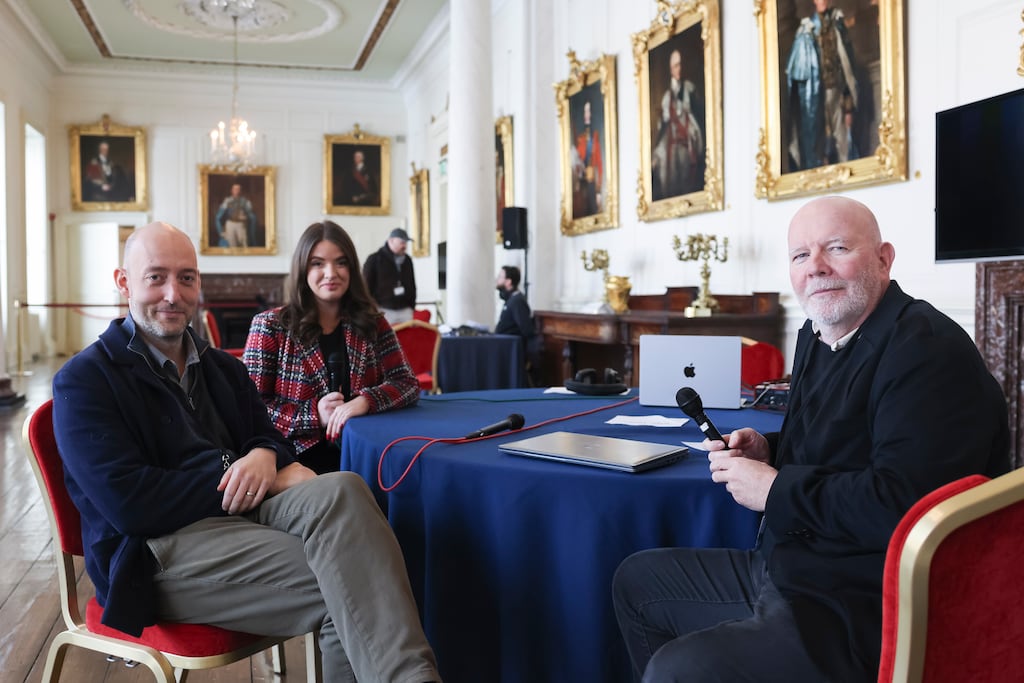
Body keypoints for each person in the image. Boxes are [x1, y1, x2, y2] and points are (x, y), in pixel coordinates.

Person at [612, 196, 1010, 682]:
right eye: (801, 255)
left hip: (862, 599)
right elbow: (847, 445)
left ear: (884, 259)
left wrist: (775, 489)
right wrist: (769, 450)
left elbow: (906, 506)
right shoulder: (820, 332)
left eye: (837, 248)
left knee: (676, 670)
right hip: (795, 566)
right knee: (637, 582)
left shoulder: (926, 350)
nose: (816, 268)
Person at [51, 221, 441, 683]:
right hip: (151, 554)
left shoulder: (219, 367)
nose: (173, 293)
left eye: (187, 277)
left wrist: (263, 455)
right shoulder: (85, 379)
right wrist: (252, 470)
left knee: (344, 488)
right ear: (124, 282)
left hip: (239, 520)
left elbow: (267, 435)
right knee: (354, 577)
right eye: (156, 277)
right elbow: (130, 505)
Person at [245, 220, 419, 474]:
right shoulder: (270, 326)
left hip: (366, 457)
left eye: (341, 262)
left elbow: (408, 383)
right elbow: (251, 410)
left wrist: (365, 401)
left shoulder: (373, 322)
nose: (331, 273)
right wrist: (315, 414)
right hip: (296, 463)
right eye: (318, 263)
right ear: (303, 268)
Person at [785, 0, 860, 170]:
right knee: (819, 137)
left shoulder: (837, 23)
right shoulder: (806, 31)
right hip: (816, 94)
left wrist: (848, 103)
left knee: (842, 135)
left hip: (837, 90)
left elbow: (847, 65)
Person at [652, 48, 705, 200]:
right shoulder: (667, 97)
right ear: (671, 68)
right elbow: (664, 127)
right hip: (672, 149)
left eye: (680, 65)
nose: (679, 69)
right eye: (675, 66)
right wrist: (656, 153)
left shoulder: (690, 89)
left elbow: (698, 116)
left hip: (688, 145)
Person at [495, 265, 539, 384]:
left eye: (500, 277)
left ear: (508, 281)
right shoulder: (511, 300)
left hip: (511, 350)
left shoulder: (517, 301)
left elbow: (526, 330)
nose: (497, 280)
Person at [363, 227, 417, 324]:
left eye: (405, 243)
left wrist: (411, 306)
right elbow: (366, 286)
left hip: (405, 310)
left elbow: (412, 283)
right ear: (391, 241)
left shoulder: (407, 260)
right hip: (383, 310)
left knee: (407, 338)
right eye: (402, 242)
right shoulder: (374, 259)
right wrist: (373, 308)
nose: (404, 246)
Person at [572, 98, 603, 218]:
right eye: (585, 112)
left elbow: (599, 162)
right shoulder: (580, 138)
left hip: (592, 179)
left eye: (589, 111)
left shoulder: (595, 137)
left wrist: (599, 185)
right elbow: (579, 158)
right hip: (582, 178)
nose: (587, 114)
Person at [214, 182, 257, 248]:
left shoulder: (245, 202)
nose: (236, 191)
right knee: (232, 245)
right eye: (235, 189)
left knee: (244, 244)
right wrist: (221, 232)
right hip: (230, 225)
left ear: (241, 191)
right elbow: (219, 216)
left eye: (238, 189)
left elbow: (251, 216)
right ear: (231, 190)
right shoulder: (227, 201)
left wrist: (246, 217)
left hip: (241, 225)